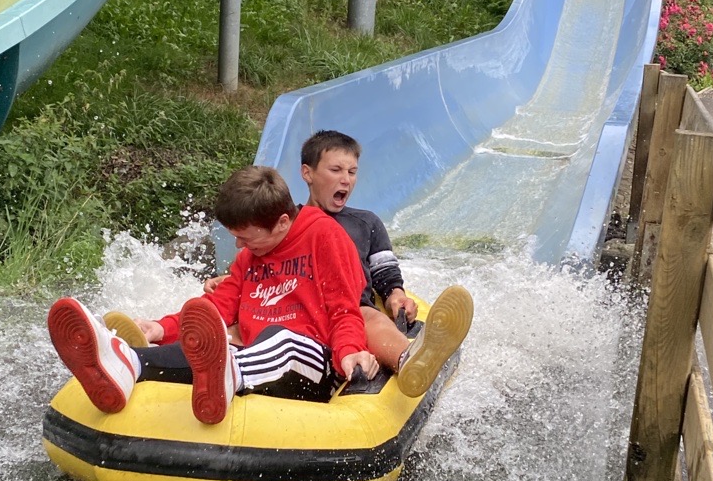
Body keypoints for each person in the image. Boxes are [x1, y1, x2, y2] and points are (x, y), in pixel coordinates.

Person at [48, 166, 379, 426]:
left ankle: (227, 372)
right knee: (211, 343)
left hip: (314, 365)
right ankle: (130, 361)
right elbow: (216, 310)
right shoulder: (251, 256)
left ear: (281, 223)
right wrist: (162, 328)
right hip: (252, 360)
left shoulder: (324, 236)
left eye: (245, 237)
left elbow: (345, 310)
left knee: (280, 338)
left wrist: (350, 352)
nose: (238, 246)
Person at [205, 129, 475, 390]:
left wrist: (396, 294)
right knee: (241, 324)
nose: (346, 179)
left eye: (352, 172)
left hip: (350, 304)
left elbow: (386, 271)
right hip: (296, 303)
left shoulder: (365, 222)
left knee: (367, 316)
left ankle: (411, 361)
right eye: (336, 170)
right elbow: (260, 266)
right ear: (307, 173)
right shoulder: (280, 220)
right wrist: (230, 281)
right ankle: (218, 368)